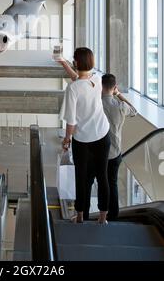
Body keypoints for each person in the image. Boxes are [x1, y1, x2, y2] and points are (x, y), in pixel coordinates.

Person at [57, 48, 110, 224]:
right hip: (102, 134)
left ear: (77, 63)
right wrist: (63, 62)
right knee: (103, 176)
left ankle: (80, 216)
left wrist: (66, 140)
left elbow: (71, 121)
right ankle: (103, 218)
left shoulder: (72, 89)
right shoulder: (96, 79)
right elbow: (80, 80)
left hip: (83, 140)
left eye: (73, 60)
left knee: (81, 177)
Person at [84, 74, 137, 221]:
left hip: (94, 153)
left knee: (88, 183)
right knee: (110, 183)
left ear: (101, 87)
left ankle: (84, 215)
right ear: (114, 88)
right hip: (114, 153)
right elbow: (134, 110)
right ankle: (112, 216)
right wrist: (119, 94)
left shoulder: (94, 105)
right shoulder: (120, 106)